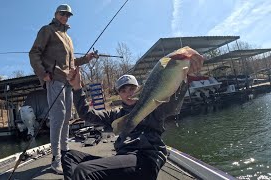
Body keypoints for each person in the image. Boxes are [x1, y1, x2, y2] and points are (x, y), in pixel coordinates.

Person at [63, 50, 204, 180]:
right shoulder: (116, 114)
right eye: (123, 90)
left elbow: (172, 100)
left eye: (132, 88)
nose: (128, 93)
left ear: (140, 89)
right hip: (122, 160)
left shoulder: (154, 106)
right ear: (119, 94)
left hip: (146, 159)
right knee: (68, 157)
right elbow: (87, 114)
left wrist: (187, 77)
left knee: (83, 171)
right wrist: (76, 87)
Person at [29, 4, 96, 174]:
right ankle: (55, 159)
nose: (65, 16)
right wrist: (43, 73)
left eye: (68, 15)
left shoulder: (68, 38)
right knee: (58, 117)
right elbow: (34, 53)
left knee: (67, 117)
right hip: (54, 80)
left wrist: (87, 59)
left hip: (67, 82)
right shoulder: (47, 30)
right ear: (55, 14)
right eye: (62, 13)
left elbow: (71, 63)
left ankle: (65, 154)